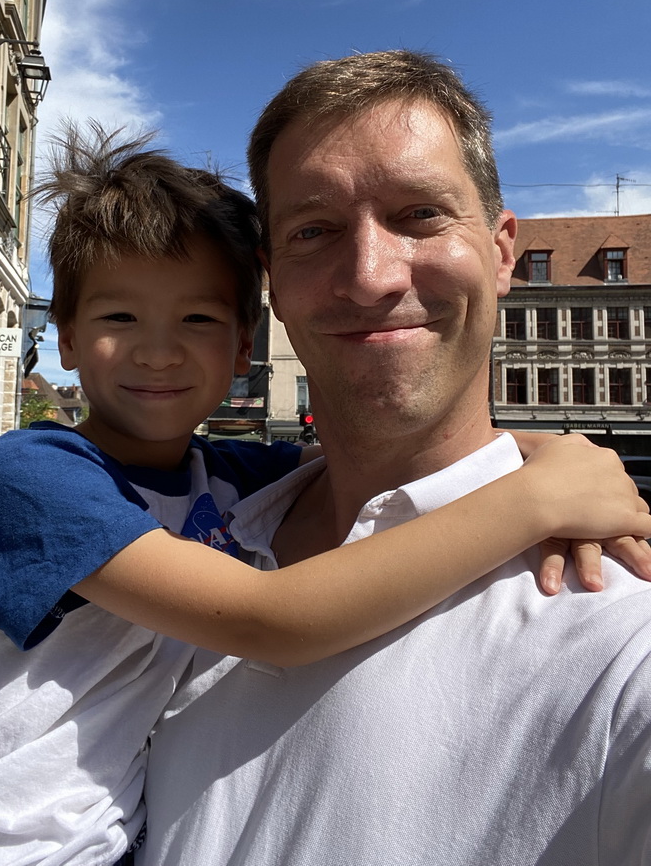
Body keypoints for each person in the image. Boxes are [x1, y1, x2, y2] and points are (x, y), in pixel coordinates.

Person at [140, 51, 651, 866]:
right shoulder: (186, 531)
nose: (370, 277)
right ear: (272, 280)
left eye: (419, 215)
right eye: (314, 231)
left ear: (502, 251)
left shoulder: (621, 639)